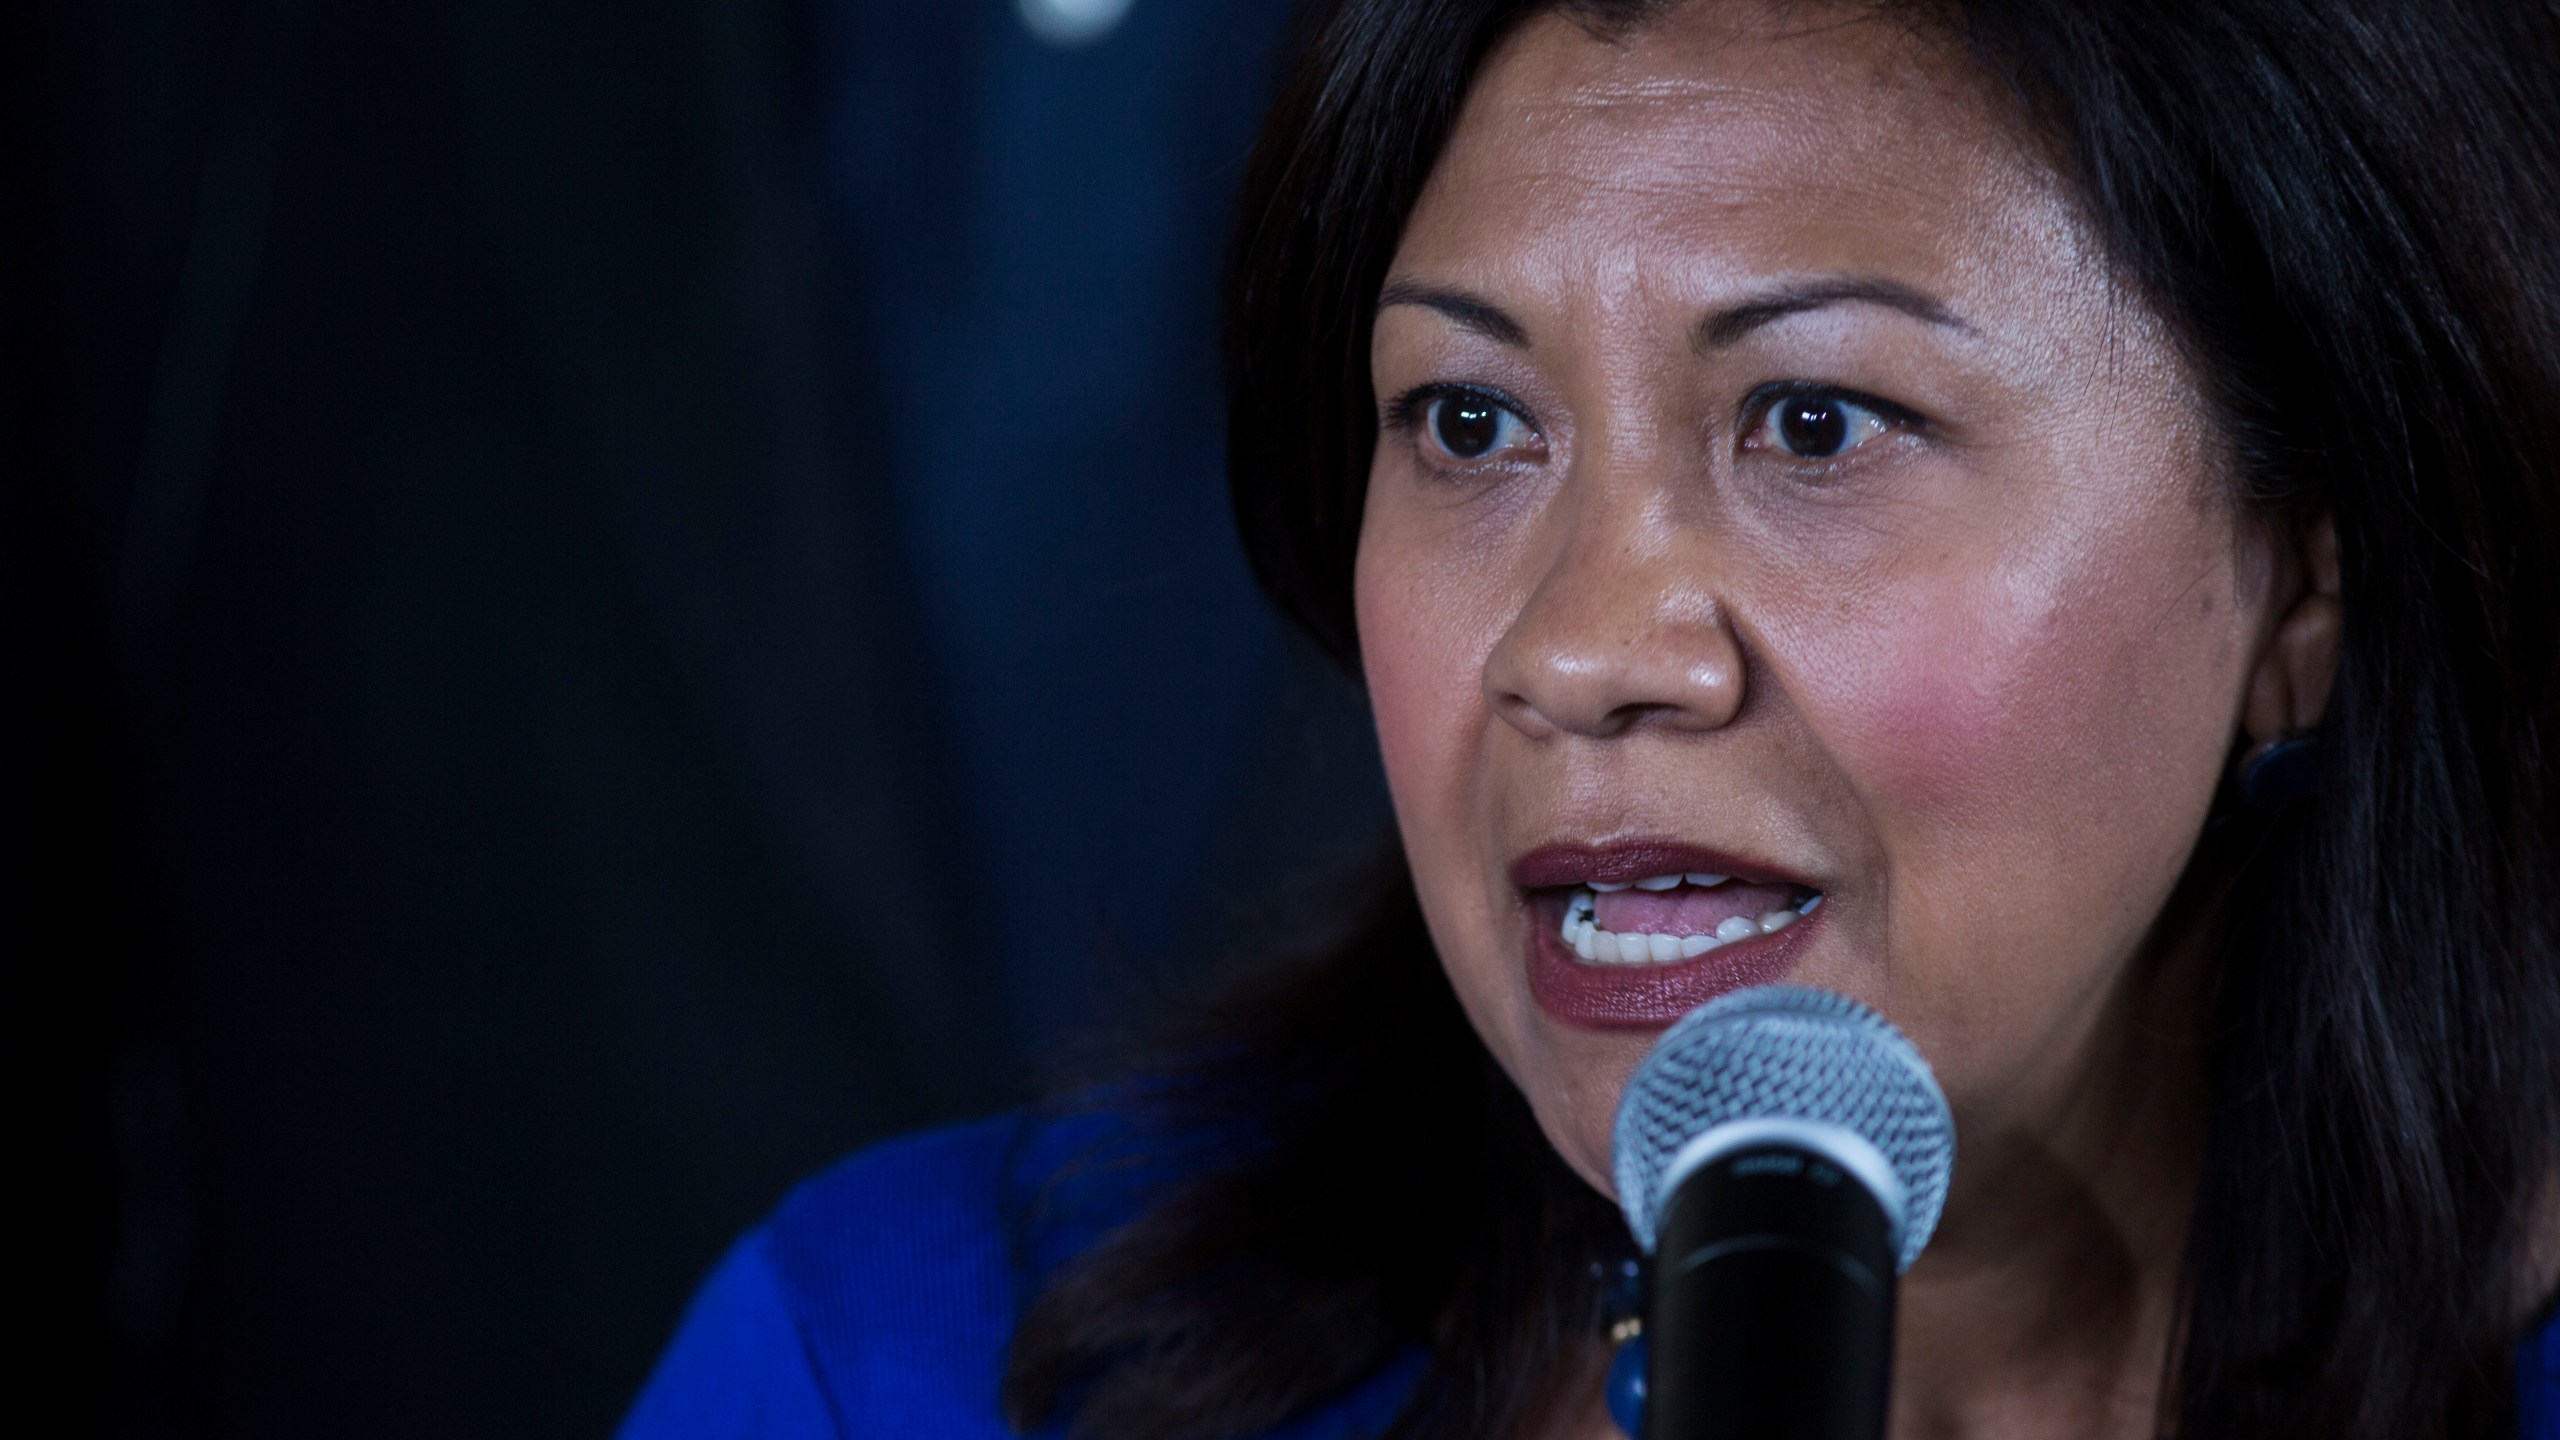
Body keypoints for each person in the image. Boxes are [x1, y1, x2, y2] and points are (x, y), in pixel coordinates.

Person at [617, 1, 2560, 1436]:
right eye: (1468, 423)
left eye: (1815, 423)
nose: (1581, 644)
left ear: (2304, 575)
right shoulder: (900, 1368)